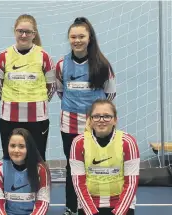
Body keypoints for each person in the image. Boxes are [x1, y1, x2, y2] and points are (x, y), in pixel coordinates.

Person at [55, 17, 116, 215]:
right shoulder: (62, 64)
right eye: (73, 37)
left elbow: (110, 94)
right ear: (69, 39)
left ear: (89, 38)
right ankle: (71, 208)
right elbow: (60, 91)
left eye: (81, 36)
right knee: (72, 166)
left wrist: (96, 116)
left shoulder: (102, 64)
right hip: (70, 122)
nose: (77, 40)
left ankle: (93, 206)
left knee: (95, 164)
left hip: (96, 124)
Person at [0, 14, 56, 161]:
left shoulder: (44, 56)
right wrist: (12, 100)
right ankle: (11, 185)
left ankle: (40, 185)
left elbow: (51, 87)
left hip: (38, 116)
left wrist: (37, 101)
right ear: (14, 31)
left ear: (34, 34)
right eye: (20, 31)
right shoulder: (4, 56)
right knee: (10, 158)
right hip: (9, 116)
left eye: (28, 32)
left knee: (38, 158)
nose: (23, 35)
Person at [70, 99, 139, 215]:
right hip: (89, 205)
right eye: (96, 116)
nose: (101, 120)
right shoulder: (78, 143)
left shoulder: (128, 142)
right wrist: (92, 212)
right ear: (90, 120)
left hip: (121, 204)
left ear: (115, 120)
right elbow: (78, 183)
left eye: (107, 116)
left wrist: (118, 213)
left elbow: (131, 183)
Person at [0, 128, 51, 215]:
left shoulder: (41, 170)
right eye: (12, 146)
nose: (16, 150)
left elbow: (43, 202)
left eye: (21, 146)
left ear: (29, 148)